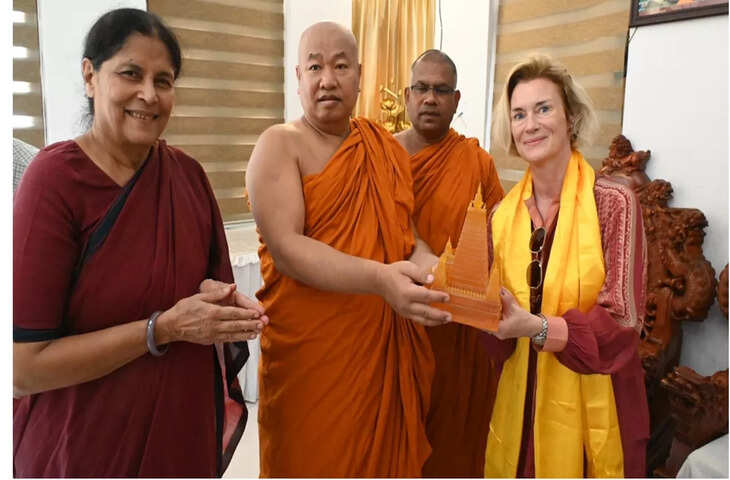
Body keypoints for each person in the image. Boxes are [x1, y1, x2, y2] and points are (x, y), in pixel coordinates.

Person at [13, 8, 266, 477]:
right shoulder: (55, 181)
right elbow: (23, 367)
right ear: (90, 75)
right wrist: (160, 329)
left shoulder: (187, 176)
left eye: (163, 80)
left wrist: (217, 301)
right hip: (85, 445)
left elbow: (191, 280)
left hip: (179, 437)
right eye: (131, 73)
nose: (149, 94)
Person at [246, 21, 452, 477]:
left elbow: (406, 238)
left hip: (379, 354)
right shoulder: (280, 145)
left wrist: (434, 268)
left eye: (340, 67)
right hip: (311, 362)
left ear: (360, 75)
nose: (327, 79)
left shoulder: (384, 150)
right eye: (315, 67)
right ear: (297, 76)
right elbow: (287, 249)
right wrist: (380, 279)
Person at [482, 55, 649, 477]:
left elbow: (623, 321)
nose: (530, 125)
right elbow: (495, 327)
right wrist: (466, 303)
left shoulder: (613, 202)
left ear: (570, 117)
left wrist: (536, 327)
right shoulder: (501, 216)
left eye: (543, 109)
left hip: (599, 403)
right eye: (519, 114)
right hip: (520, 403)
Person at [394, 49, 504, 477]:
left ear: (456, 100)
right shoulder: (381, 157)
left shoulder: (477, 162)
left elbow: (500, 239)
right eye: (421, 88)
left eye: (441, 90)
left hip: (459, 330)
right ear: (407, 95)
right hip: (393, 321)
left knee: (455, 447)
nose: (430, 98)